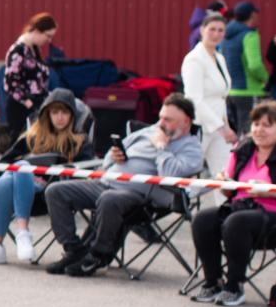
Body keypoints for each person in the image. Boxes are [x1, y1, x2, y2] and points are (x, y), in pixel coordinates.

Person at [44, 94, 204, 278]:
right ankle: (74, 250)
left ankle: (98, 255)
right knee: (55, 191)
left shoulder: (192, 149)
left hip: (140, 196)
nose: (161, 124)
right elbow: (107, 158)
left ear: (186, 122)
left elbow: (169, 175)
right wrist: (114, 156)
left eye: (168, 120)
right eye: (160, 117)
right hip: (106, 182)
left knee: (109, 199)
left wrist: (162, 147)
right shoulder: (148, 131)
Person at [189, 100, 276, 306]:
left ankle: (234, 286)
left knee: (236, 222)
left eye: (267, 125)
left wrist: (271, 190)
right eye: (256, 124)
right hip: (240, 207)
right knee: (203, 219)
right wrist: (223, 183)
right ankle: (212, 282)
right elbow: (229, 190)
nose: (259, 130)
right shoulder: (243, 148)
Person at [0, 88, 89, 265]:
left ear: (72, 115)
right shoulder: (33, 137)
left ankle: (4, 241)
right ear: (47, 114)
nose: (60, 117)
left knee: (19, 170)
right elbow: (5, 162)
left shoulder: (79, 141)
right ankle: (13, 238)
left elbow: (85, 171)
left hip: (52, 195)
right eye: (55, 112)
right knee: (10, 177)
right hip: (23, 192)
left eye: (64, 112)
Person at [180, 9, 233, 175]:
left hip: (219, 125)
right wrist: (220, 126)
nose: (216, 34)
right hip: (200, 125)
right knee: (190, 173)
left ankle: (222, 195)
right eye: (212, 29)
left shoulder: (220, 58)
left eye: (220, 30)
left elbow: (221, 97)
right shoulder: (194, 59)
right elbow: (194, 99)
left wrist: (225, 125)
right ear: (202, 30)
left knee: (225, 172)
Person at [2, 13, 57, 135]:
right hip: (21, 109)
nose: (49, 40)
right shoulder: (18, 50)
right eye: (48, 36)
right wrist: (28, 103)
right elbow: (10, 83)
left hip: (35, 105)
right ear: (37, 31)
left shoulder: (33, 49)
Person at [221, 1, 268, 132]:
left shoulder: (226, 36)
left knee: (235, 131)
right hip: (248, 90)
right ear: (252, 15)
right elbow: (254, 65)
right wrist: (265, 78)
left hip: (230, 91)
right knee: (249, 132)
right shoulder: (250, 35)